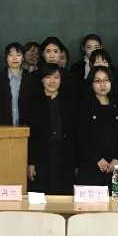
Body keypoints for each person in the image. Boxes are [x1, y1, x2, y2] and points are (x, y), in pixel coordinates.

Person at [77, 66, 118, 193]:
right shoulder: (84, 106)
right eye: (97, 81)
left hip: (116, 166)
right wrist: (97, 158)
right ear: (91, 84)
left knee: (117, 201)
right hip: (92, 165)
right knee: (93, 202)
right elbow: (82, 136)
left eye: (106, 80)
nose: (102, 84)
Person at [27, 63, 76, 194]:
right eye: (48, 77)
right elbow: (31, 136)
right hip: (41, 157)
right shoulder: (34, 102)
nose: (52, 81)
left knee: (63, 196)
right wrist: (31, 162)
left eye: (56, 77)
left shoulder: (69, 102)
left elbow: (74, 134)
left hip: (64, 156)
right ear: (42, 79)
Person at [3, 42, 35, 126]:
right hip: (3, 126)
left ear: (23, 58)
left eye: (18, 55)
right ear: (6, 57)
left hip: (26, 126)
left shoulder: (31, 79)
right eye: (11, 55)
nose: (15, 58)